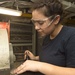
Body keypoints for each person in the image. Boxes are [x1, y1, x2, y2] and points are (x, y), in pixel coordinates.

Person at [13, 0, 75, 75]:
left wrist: (39, 66)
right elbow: (55, 56)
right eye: (34, 22)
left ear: (56, 19)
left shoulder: (71, 36)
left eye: (40, 23)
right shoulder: (47, 37)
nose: (36, 27)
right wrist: (35, 58)